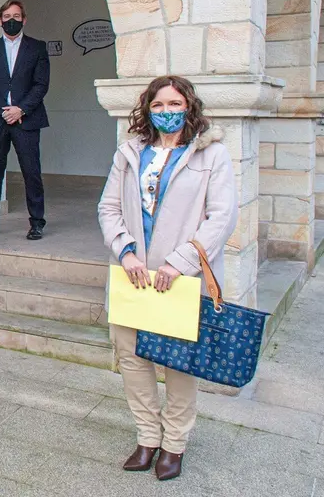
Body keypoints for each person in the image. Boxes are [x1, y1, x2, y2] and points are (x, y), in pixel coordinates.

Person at [98, 75, 237, 481]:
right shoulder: (129, 153)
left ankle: (174, 444)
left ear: (189, 107)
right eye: (158, 106)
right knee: (133, 359)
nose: (166, 112)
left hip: (180, 279)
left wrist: (179, 261)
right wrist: (124, 250)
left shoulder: (212, 155)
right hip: (134, 277)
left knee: (178, 365)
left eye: (174, 104)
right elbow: (108, 207)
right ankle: (147, 437)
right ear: (148, 109)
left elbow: (222, 218)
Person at [0, 0, 49, 240]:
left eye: (16, 16)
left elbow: (41, 84)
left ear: (24, 19)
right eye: (7, 16)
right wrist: (4, 110)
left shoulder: (37, 48)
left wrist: (21, 110)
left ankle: (37, 222)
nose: (11, 20)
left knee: (31, 172)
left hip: (26, 119)